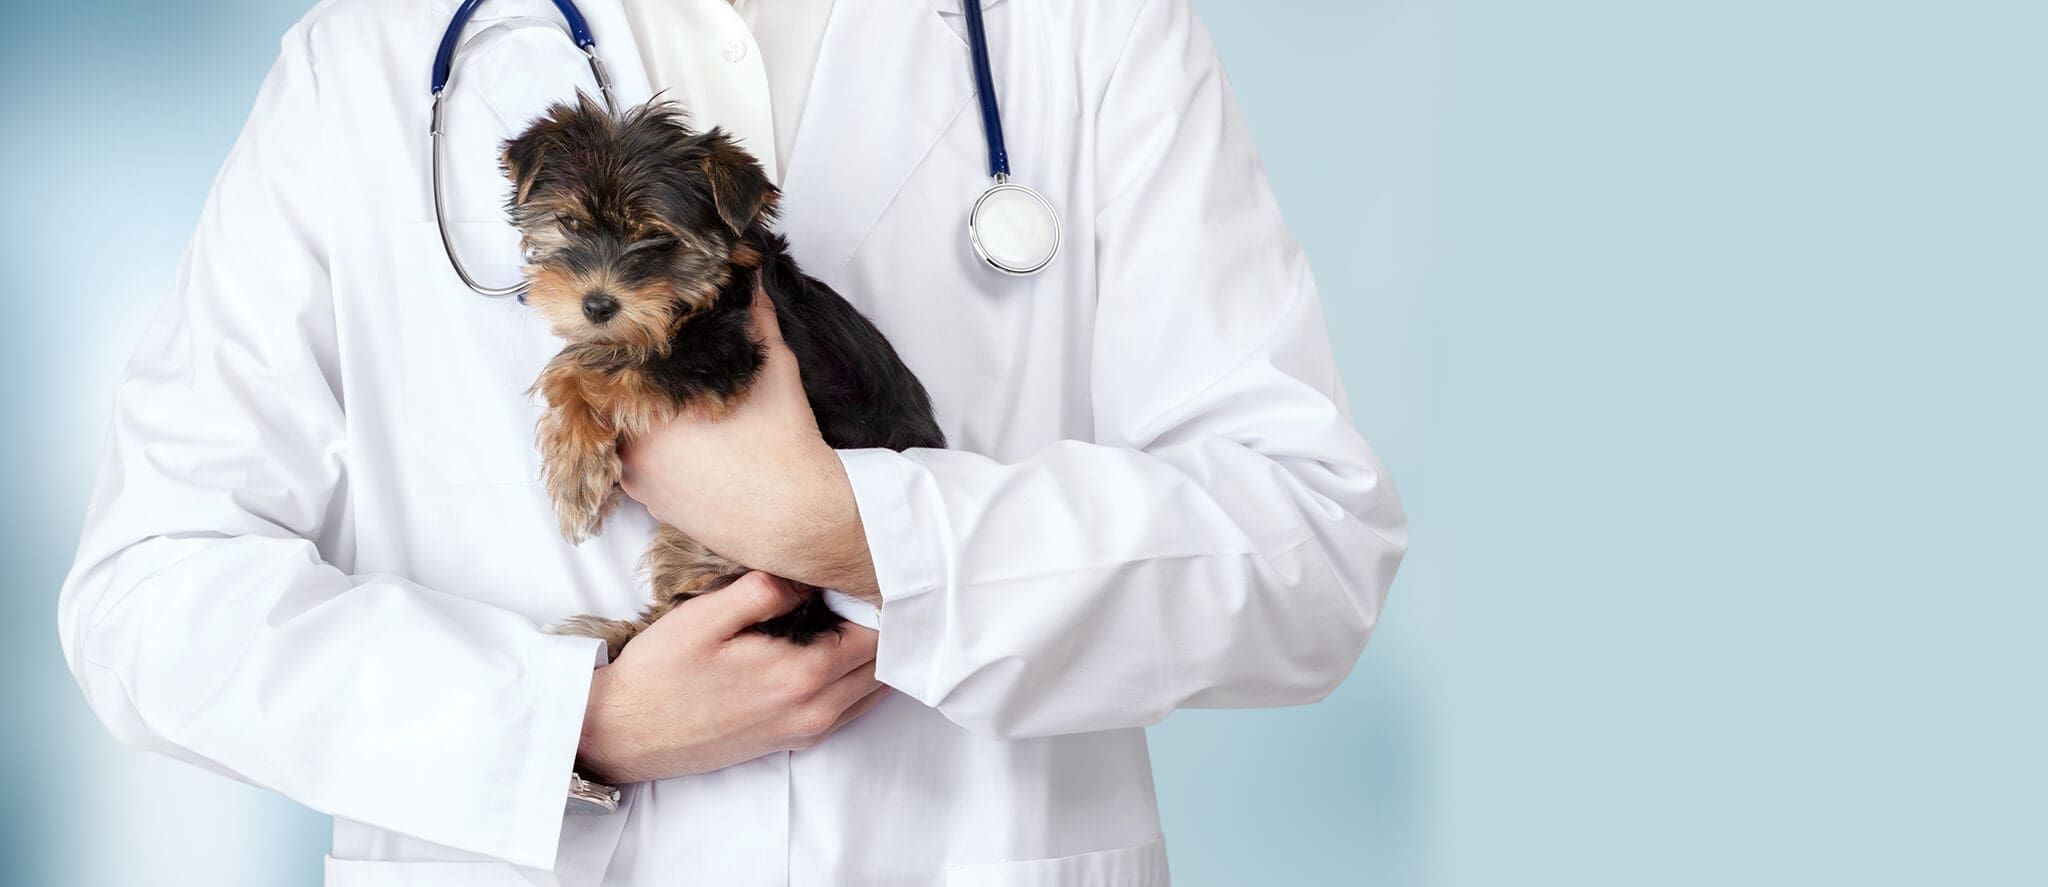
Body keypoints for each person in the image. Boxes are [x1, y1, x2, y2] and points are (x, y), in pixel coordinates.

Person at [56, 0, 1408, 883]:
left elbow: (1310, 544)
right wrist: (568, 730)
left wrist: (865, 537)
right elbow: (153, 593)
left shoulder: (1083, 32)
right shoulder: (374, 57)